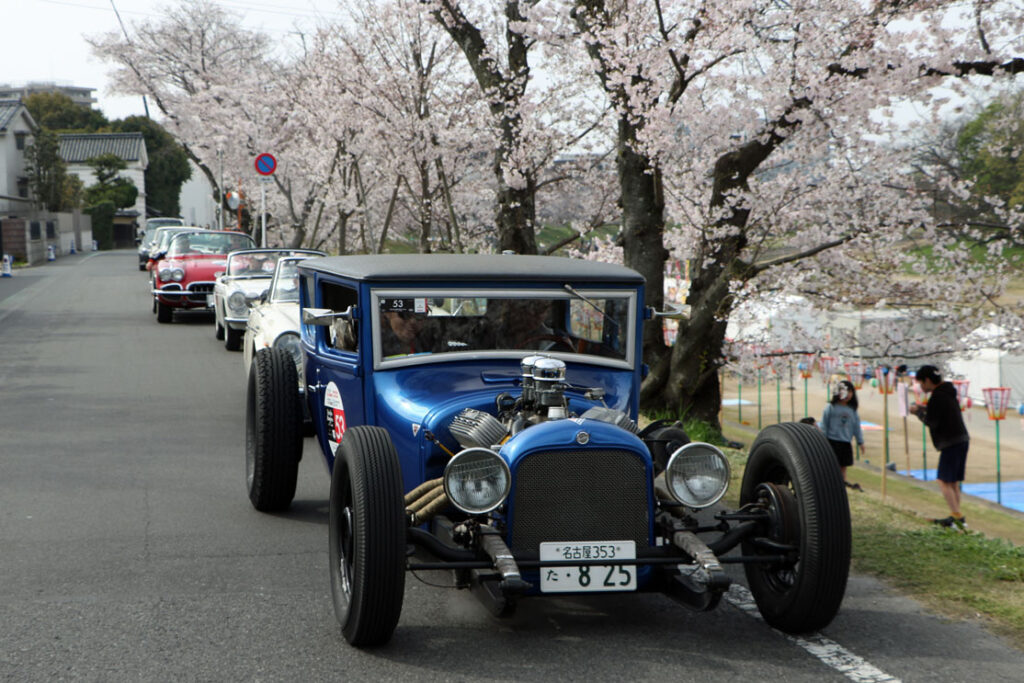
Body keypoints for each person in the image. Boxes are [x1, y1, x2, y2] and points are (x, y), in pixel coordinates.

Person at [909, 365, 970, 530]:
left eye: (921, 384)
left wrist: (917, 412)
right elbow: (939, 412)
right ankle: (957, 517)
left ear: (928, 380)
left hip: (951, 441)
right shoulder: (948, 392)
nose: (921, 388)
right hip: (962, 439)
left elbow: (932, 421)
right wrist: (923, 408)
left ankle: (957, 517)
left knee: (943, 481)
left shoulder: (937, 396)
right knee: (953, 482)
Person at [821, 379, 865, 491]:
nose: (847, 394)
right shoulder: (831, 407)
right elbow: (824, 424)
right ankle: (829, 486)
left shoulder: (852, 411)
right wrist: (823, 440)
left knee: (843, 467)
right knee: (830, 466)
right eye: (845, 391)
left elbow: (856, 427)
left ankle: (841, 487)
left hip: (845, 442)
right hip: (831, 441)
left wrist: (860, 442)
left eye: (850, 391)